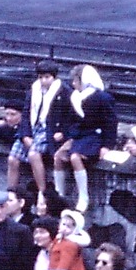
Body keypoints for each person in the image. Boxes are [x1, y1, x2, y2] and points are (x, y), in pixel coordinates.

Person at [53, 64, 116, 213]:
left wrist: (106, 145)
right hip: (79, 136)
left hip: (94, 136)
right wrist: (66, 136)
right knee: (58, 157)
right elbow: (71, 121)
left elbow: (110, 122)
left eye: (76, 81)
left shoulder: (102, 97)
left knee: (75, 157)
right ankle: (58, 194)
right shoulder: (75, 97)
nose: (73, 84)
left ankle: (83, 197)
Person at [13, 60, 72, 210]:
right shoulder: (34, 90)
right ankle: (11, 193)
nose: (43, 81)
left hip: (49, 130)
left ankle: (42, 191)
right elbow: (26, 113)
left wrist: (63, 133)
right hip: (34, 127)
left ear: (54, 77)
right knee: (13, 159)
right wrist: (25, 134)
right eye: (41, 77)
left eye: (47, 77)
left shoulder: (64, 91)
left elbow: (71, 116)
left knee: (33, 154)